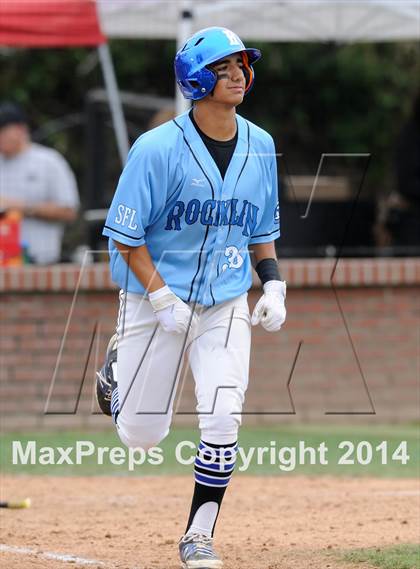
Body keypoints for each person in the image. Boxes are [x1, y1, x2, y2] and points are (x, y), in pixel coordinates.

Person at [97, 27, 286, 569]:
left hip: (226, 298)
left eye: (241, 66)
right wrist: (159, 298)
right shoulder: (155, 149)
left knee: (224, 413)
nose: (237, 75)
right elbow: (124, 236)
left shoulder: (261, 144)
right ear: (196, 78)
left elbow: (261, 229)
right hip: (155, 297)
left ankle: (198, 535)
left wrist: (271, 281)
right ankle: (114, 373)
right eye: (224, 67)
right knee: (141, 435)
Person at [0, 102, 79, 264]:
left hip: (41, 265)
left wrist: (21, 207)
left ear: (20, 130)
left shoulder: (49, 161)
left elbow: (69, 211)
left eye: (2, 131)